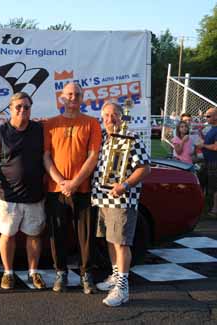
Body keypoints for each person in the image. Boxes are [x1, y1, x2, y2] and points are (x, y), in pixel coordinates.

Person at [0, 92, 46, 290]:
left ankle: (33, 272)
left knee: (34, 235)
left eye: (26, 107)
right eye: (18, 107)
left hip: (34, 196)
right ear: (10, 108)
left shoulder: (39, 130)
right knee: (7, 235)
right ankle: (8, 272)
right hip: (7, 198)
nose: (22, 110)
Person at [43, 82, 102, 294]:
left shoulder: (92, 123)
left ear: (82, 98)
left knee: (85, 237)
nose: (73, 98)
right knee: (57, 234)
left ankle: (86, 275)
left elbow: (93, 156)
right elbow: (46, 156)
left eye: (77, 94)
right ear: (62, 98)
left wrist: (75, 183)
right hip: (55, 190)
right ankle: (61, 274)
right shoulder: (49, 124)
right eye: (69, 94)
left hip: (83, 190)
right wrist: (61, 182)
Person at [92, 101, 151, 307]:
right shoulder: (105, 140)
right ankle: (115, 277)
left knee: (121, 243)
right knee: (110, 240)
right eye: (106, 116)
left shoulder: (131, 139)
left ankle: (123, 287)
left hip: (122, 200)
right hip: (103, 199)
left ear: (122, 117)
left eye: (114, 115)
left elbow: (144, 168)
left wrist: (124, 185)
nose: (110, 119)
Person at [196, 107, 217, 217]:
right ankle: (205, 208)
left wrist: (203, 145)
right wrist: (202, 136)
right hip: (207, 161)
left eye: (208, 116)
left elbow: (215, 147)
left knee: (213, 186)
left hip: (214, 162)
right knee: (201, 183)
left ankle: (213, 210)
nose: (206, 118)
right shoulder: (211, 129)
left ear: (216, 117)